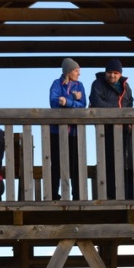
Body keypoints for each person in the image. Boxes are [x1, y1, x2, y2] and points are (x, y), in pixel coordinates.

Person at [89, 59, 134, 197]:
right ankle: (110, 195)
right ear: (105, 72)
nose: (112, 75)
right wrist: (118, 112)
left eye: (116, 73)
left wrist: (128, 119)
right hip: (105, 129)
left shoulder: (126, 86)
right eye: (110, 72)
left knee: (124, 161)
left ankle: (125, 194)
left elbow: (130, 103)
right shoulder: (98, 84)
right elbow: (96, 103)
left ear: (120, 74)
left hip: (123, 129)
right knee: (108, 161)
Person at [47, 58, 86, 200]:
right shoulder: (56, 84)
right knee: (56, 164)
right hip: (56, 131)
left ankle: (77, 195)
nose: (79, 74)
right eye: (76, 71)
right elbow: (54, 103)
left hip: (74, 132)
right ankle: (53, 195)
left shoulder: (80, 86)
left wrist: (67, 101)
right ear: (68, 72)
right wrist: (73, 99)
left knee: (75, 164)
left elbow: (83, 105)